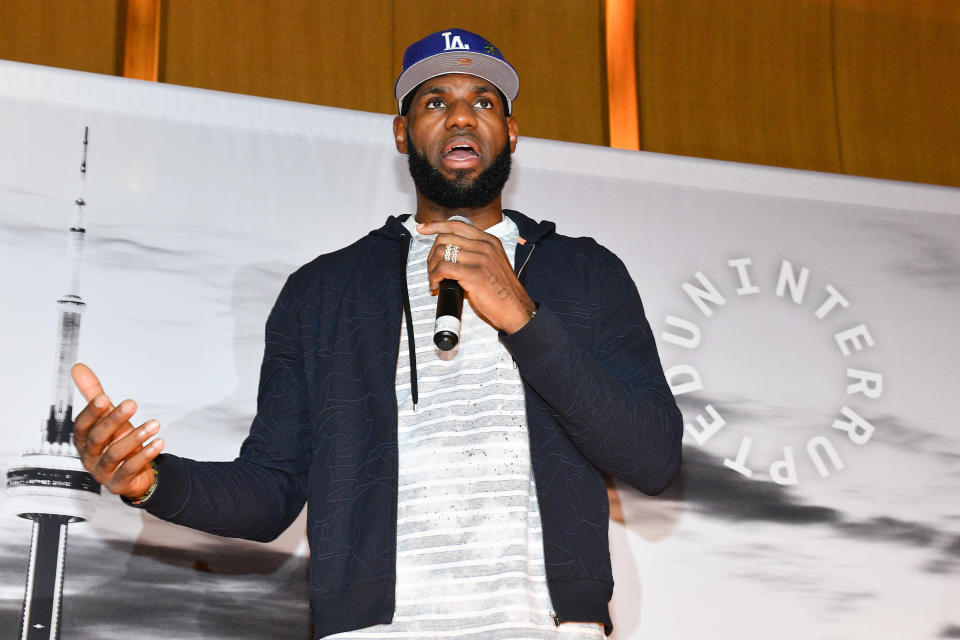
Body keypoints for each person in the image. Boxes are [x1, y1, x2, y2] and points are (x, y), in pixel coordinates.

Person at [70, 28, 682, 639]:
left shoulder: (585, 272)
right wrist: (149, 481)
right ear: (401, 132)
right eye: (436, 101)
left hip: (546, 626)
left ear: (512, 134)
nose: (462, 116)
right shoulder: (323, 291)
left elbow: (651, 457)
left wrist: (523, 316)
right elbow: (270, 492)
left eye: (484, 101)